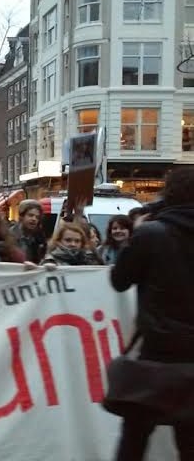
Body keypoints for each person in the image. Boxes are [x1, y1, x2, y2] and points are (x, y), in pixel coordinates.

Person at [110, 167, 194, 460]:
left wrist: (137, 235)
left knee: (134, 437)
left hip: (158, 352)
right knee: (189, 440)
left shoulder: (152, 233)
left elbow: (119, 281)